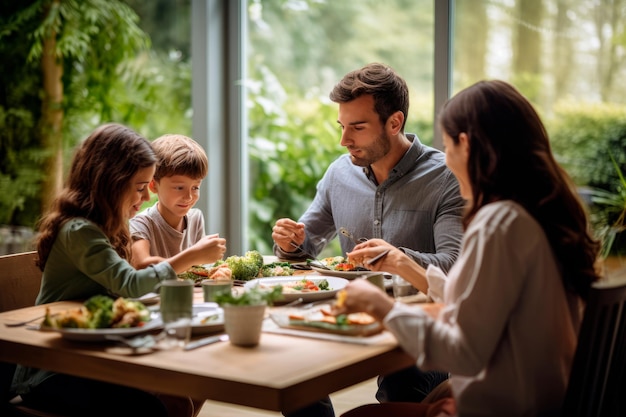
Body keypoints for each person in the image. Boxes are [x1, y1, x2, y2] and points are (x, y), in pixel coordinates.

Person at [336, 79, 601, 417]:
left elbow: (464, 353)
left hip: (503, 407)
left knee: (358, 416)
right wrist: (409, 270)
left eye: (447, 147)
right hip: (546, 400)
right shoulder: (538, 213)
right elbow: (486, 304)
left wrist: (382, 307)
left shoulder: (498, 223)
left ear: (466, 144)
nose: (446, 161)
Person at [272, 63, 465, 416]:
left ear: (395, 122)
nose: (344, 140)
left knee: (402, 386)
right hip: (350, 313)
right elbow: (305, 245)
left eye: (357, 128)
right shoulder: (339, 172)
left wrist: (399, 257)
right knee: (291, 376)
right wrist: (290, 241)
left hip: (414, 323)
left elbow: (454, 266)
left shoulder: (445, 177)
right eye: (342, 127)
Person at [11, 123, 227, 417]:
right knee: (157, 407)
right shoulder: (79, 231)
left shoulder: (107, 227)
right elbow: (130, 284)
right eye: (140, 188)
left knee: (182, 397)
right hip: (54, 370)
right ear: (111, 182)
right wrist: (189, 258)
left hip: (95, 354)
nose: (147, 196)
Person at [130, 133, 213, 269]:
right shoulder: (140, 224)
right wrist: (194, 255)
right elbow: (141, 265)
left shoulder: (196, 218)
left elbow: (200, 269)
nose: (189, 197)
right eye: (179, 187)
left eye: (195, 187)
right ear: (153, 185)